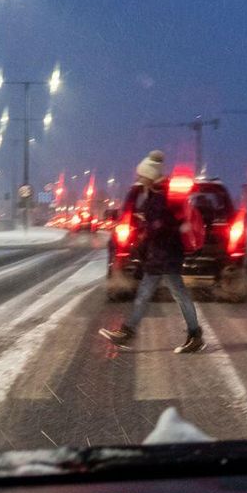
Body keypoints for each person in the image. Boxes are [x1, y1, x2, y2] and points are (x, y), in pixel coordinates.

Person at [99, 150, 205, 353]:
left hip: (166, 254)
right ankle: (129, 332)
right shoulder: (155, 193)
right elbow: (160, 223)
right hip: (160, 255)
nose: (139, 178)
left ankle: (194, 335)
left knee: (174, 294)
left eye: (142, 175)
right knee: (149, 293)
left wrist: (151, 228)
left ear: (150, 175)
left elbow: (169, 224)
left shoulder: (165, 194)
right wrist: (147, 232)